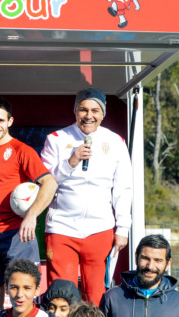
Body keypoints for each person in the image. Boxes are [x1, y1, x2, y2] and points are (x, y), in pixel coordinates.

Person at [40, 87, 133, 305]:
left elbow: (123, 188)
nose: (89, 116)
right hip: (62, 227)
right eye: (83, 110)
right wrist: (70, 162)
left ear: (103, 114)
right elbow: (44, 182)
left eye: (95, 110)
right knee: (62, 295)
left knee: (97, 296)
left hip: (99, 229)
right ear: (75, 112)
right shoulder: (56, 139)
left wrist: (123, 229)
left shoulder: (116, 142)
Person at [0, 98, 57, 310]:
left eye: (1, 120)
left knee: (22, 295)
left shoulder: (21, 150)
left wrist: (32, 216)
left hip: (17, 235)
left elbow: (49, 183)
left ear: (10, 121)